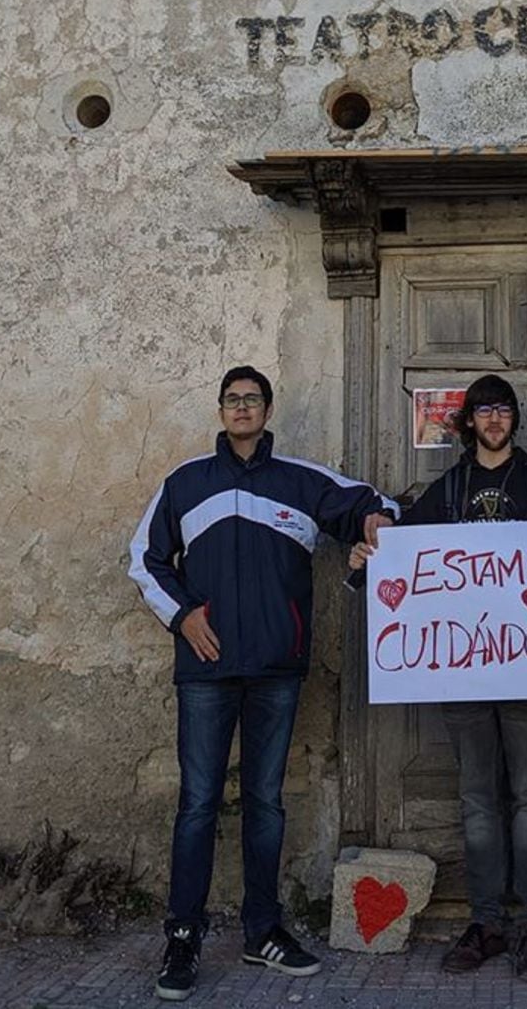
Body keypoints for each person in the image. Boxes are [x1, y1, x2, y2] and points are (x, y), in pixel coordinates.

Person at [129, 366, 397, 1002]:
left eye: (252, 399)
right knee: (198, 804)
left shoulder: (300, 481)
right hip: (206, 670)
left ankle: (263, 930)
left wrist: (378, 524)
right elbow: (145, 559)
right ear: (221, 410)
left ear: (268, 410)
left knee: (266, 804)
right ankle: (183, 937)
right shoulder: (187, 482)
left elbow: (370, 503)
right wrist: (183, 615)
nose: (242, 407)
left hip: (277, 669)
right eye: (232, 399)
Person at [350, 373, 527, 982]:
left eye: (503, 410)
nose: (494, 420)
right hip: (465, 676)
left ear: (514, 419)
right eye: (484, 411)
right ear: (469, 422)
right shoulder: (447, 491)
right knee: (478, 800)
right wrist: (370, 552)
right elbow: (402, 556)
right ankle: (487, 922)